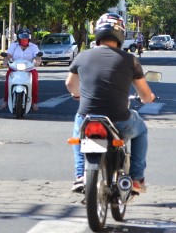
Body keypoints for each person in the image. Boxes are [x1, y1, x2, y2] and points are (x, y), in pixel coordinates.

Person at [65, 13, 156, 194]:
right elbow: (144, 94)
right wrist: (149, 98)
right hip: (119, 120)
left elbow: (70, 84)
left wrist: (78, 95)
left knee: (79, 132)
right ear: (121, 35)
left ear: (98, 33)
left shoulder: (82, 56)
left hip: (87, 117)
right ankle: (137, 178)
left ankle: (80, 176)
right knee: (141, 130)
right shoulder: (130, 60)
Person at [1, 28, 41, 111]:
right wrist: (5, 62)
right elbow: (8, 56)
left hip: (29, 68)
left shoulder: (33, 47)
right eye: (22, 37)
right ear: (18, 38)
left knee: (34, 82)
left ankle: (34, 102)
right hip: (15, 68)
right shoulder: (13, 45)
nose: (24, 39)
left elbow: (38, 56)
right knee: (8, 80)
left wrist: (37, 61)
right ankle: (6, 100)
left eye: (26, 37)